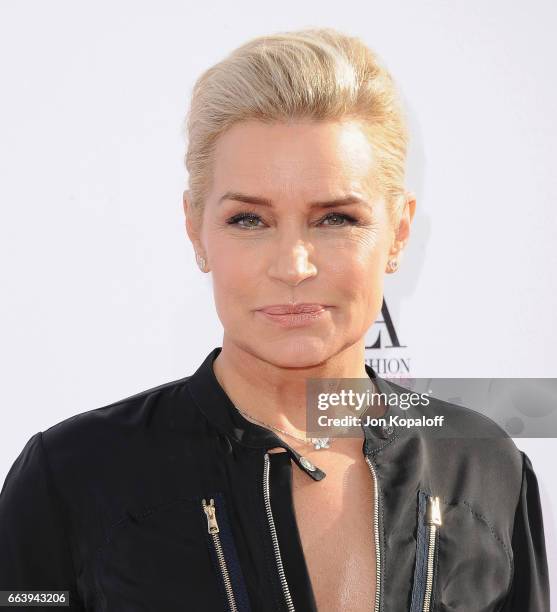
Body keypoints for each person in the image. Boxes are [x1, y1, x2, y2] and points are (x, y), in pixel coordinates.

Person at [0, 27, 549, 612]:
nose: (293, 265)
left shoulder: (484, 464)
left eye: (335, 218)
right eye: (249, 220)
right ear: (196, 229)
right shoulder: (73, 475)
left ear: (400, 232)